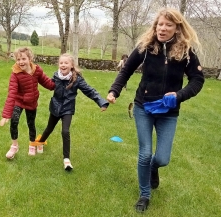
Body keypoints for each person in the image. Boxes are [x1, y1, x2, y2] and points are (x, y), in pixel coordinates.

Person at [106, 8, 204, 212]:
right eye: (160, 24)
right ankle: (144, 194)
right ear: (155, 26)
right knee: (144, 153)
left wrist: (179, 95)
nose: (163, 28)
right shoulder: (146, 47)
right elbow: (126, 70)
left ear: (177, 28)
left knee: (162, 158)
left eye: (168, 25)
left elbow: (197, 80)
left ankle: (154, 168)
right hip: (144, 106)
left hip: (168, 111)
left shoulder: (186, 51)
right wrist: (114, 91)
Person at [35, 53, 109, 171]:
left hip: (67, 109)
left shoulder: (77, 79)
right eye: (61, 63)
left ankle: (66, 160)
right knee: (49, 128)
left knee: (65, 131)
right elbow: (48, 84)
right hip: (55, 106)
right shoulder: (56, 76)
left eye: (66, 63)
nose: (63, 65)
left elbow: (89, 90)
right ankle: (41, 142)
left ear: (72, 65)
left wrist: (101, 102)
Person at [0, 47, 55, 159]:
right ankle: (14, 146)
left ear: (30, 58)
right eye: (18, 59)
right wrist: (6, 114)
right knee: (14, 121)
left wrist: (59, 84)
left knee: (31, 123)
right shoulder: (15, 74)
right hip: (18, 101)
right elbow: (12, 93)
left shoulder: (37, 70)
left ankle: (32, 144)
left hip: (31, 102)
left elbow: (48, 83)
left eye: (23, 58)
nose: (21, 62)